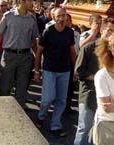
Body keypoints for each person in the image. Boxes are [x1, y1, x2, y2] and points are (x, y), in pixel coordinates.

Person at [73, 18, 114, 145]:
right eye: (109, 30)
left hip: (106, 96)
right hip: (89, 94)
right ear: (102, 30)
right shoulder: (88, 48)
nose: (111, 34)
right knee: (84, 128)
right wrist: (99, 78)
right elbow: (79, 72)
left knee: (98, 130)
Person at [34, 7, 76, 137]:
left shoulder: (69, 32)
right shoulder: (47, 32)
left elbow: (72, 52)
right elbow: (39, 52)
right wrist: (37, 71)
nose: (62, 19)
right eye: (59, 16)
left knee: (61, 101)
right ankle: (41, 117)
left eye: (63, 16)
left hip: (65, 71)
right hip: (49, 70)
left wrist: (74, 70)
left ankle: (55, 125)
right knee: (47, 98)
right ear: (53, 18)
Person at [0, 0, 38, 107]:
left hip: (25, 57)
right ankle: (3, 109)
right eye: (29, 1)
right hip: (9, 56)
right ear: (21, 2)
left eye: (32, 0)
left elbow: (34, 40)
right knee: (5, 86)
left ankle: (19, 113)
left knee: (22, 88)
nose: (32, 3)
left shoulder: (32, 19)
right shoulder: (8, 16)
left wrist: (37, 59)